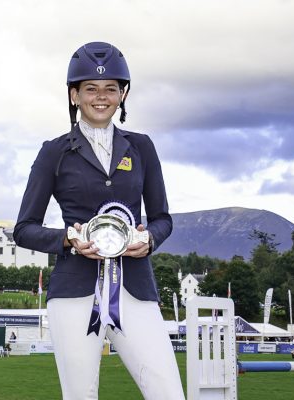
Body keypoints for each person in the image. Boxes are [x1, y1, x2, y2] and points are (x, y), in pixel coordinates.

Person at [14, 42, 184, 400]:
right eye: (90, 88)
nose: (101, 97)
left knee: (168, 392)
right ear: (74, 95)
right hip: (74, 291)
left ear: (122, 95)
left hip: (135, 289)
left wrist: (148, 240)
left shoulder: (142, 147)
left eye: (111, 89)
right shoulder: (53, 152)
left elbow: (162, 219)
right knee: (81, 395)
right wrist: (66, 239)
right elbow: (24, 228)